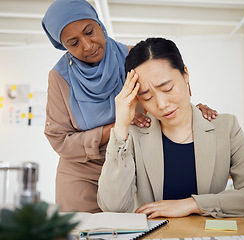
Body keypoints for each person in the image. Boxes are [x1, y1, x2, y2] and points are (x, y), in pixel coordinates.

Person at [42, 0, 217, 213]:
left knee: (138, 229)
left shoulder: (132, 57)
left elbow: (164, 97)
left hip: (133, 166)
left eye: (89, 32)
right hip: (81, 175)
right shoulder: (60, 77)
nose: (87, 45)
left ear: (100, 25)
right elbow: (60, 141)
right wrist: (114, 128)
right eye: (73, 43)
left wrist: (194, 112)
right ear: (64, 47)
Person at [97, 37, 244, 218]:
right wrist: (121, 126)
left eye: (167, 88)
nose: (162, 104)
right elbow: (113, 208)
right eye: (147, 97)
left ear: (185, 74)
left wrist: (193, 204)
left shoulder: (226, 127)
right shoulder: (133, 135)